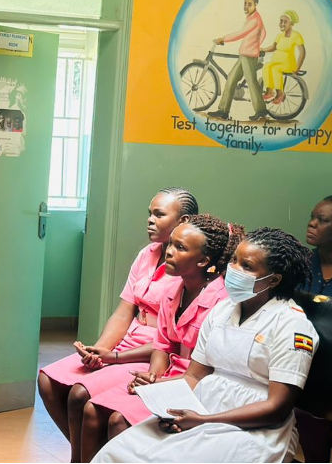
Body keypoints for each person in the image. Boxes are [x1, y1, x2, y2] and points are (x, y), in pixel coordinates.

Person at [93, 228, 318, 463]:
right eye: (234, 260)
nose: (234, 269)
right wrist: (154, 388)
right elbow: (194, 377)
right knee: (116, 452)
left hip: (255, 429)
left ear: (273, 280)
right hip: (201, 409)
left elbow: (277, 408)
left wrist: (203, 421)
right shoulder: (222, 310)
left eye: (247, 266)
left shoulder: (292, 325)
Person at [37, 187, 198, 463]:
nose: (150, 220)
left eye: (159, 214)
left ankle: (88, 457)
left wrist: (113, 356)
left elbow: (168, 341)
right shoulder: (146, 254)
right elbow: (124, 313)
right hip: (126, 343)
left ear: (183, 221)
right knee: (47, 380)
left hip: (151, 354)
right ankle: (86, 455)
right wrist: (98, 351)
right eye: (150, 213)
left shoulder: (186, 268)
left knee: (80, 394)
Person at [79, 215, 242, 461]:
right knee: (92, 410)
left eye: (180, 247)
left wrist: (158, 385)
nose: (169, 252)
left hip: (198, 385)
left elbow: (206, 371)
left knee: (118, 420)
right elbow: (163, 345)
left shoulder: (221, 301)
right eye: (171, 244)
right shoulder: (172, 290)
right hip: (169, 378)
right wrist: (152, 376)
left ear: (203, 261)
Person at [207, 0, 268, 121]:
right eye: (245, 4)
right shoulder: (252, 17)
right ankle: (223, 111)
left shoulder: (255, 19)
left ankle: (261, 110)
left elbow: (241, 33)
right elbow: (263, 33)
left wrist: (223, 39)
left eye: (249, 4)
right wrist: (256, 45)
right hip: (244, 54)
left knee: (251, 82)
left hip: (249, 56)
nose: (246, 6)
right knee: (231, 78)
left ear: (256, 4)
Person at [261, 10, 306, 105]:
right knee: (266, 67)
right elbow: (273, 47)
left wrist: (297, 67)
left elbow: (302, 52)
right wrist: (263, 49)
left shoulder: (296, 35)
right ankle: (269, 91)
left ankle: (280, 93)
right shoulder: (280, 36)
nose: (282, 24)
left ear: (291, 23)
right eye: (281, 21)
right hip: (276, 62)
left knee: (275, 69)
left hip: (288, 64)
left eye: (285, 22)